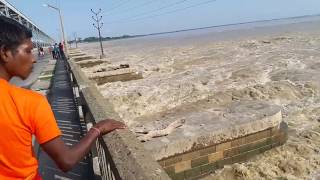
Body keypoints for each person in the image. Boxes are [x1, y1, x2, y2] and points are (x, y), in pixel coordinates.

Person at [0, 16, 126, 180]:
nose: (33, 58)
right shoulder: (29, 102)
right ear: (5, 53)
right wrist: (97, 129)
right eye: (28, 50)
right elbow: (66, 161)